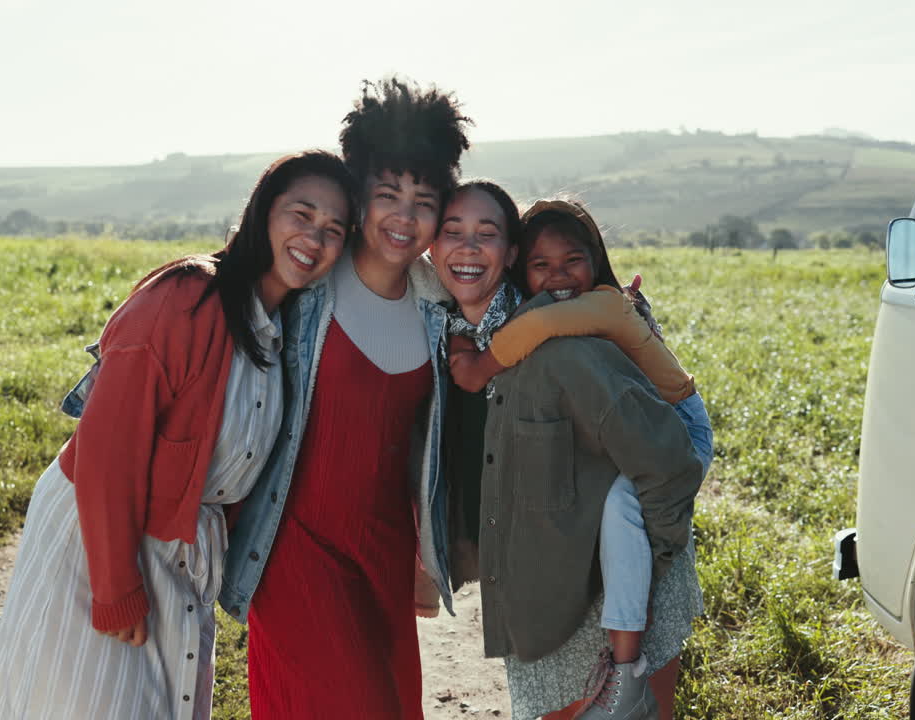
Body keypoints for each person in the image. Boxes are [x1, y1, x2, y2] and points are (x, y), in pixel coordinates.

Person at [0, 151, 355, 720]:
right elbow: (107, 445)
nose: (314, 237)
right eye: (300, 214)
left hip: (184, 547)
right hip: (101, 539)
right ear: (261, 212)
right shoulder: (187, 297)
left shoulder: (283, 328)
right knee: (83, 702)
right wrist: (114, 586)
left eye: (333, 229)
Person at [219, 77, 472, 719]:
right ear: (360, 196)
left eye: (423, 199)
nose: (404, 217)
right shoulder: (308, 285)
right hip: (295, 543)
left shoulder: (437, 305)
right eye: (388, 194)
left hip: (382, 551)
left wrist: (425, 552)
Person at [432, 181, 705, 720]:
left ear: (506, 252)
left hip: (611, 578)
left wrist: (653, 564)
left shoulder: (556, 335)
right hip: (541, 583)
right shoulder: (443, 318)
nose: (467, 248)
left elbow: (664, 463)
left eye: (485, 234)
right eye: (451, 232)